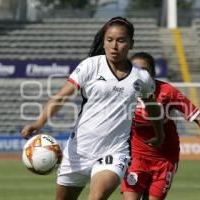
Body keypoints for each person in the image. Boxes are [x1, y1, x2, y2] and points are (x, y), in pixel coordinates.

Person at [21, 17, 165, 200]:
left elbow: (152, 105)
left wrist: (159, 134)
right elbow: (62, 96)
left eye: (121, 40)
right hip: (78, 152)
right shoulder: (90, 66)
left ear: (131, 43)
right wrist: (39, 121)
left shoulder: (141, 77)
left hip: (114, 152)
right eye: (109, 40)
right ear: (104, 42)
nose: (114, 46)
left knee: (96, 197)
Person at [121, 52, 200, 200]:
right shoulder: (124, 92)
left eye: (144, 70)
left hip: (165, 159)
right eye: (134, 69)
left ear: (152, 73)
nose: (139, 74)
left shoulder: (167, 92)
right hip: (136, 158)